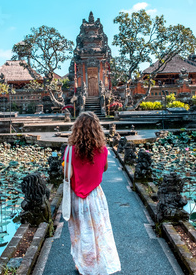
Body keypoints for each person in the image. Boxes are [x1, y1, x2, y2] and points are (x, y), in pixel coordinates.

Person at [64, 111, 121, 275]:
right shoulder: (102, 150)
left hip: (77, 198)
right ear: (97, 129)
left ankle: (84, 266)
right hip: (95, 197)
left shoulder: (70, 151)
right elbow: (104, 169)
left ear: (77, 129)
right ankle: (101, 264)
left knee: (81, 233)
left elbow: (68, 175)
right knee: (99, 232)